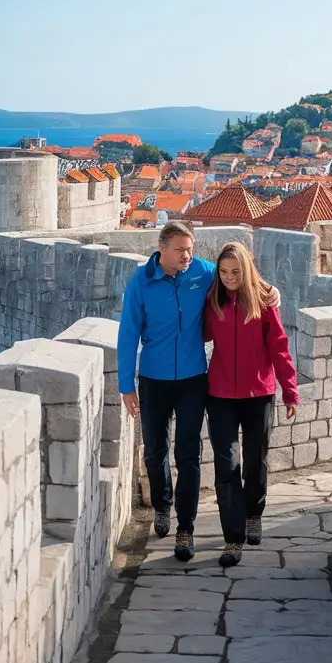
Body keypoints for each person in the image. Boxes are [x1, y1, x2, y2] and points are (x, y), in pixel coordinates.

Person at [117, 219, 215, 561]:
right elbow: (128, 334)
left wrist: (268, 290)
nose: (187, 256)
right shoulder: (141, 283)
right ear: (162, 249)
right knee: (154, 451)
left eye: (190, 249)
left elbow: (238, 277)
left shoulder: (203, 272)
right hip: (154, 380)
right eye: (180, 250)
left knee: (188, 454)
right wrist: (126, 385)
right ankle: (162, 505)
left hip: (192, 379)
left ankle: (185, 529)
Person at [204, 240, 299, 567]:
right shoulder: (212, 299)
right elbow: (200, 333)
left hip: (258, 393)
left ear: (246, 270)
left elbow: (280, 347)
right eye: (224, 272)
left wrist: (290, 390)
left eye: (235, 272)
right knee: (227, 464)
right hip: (219, 395)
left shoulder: (263, 301)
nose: (229, 277)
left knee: (256, 459)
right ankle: (233, 538)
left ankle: (254, 513)